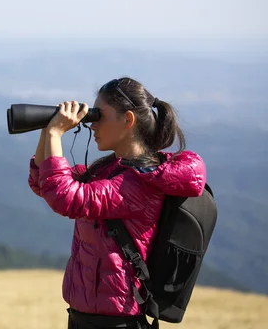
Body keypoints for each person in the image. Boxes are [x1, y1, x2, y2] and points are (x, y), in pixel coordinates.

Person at [28, 77, 207, 329]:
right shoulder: (111, 169)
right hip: (85, 317)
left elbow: (64, 197)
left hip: (116, 321)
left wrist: (57, 133)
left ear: (128, 120)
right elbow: (44, 182)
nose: (92, 125)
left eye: (99, 115)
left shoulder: (138, 183)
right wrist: (47, 131)